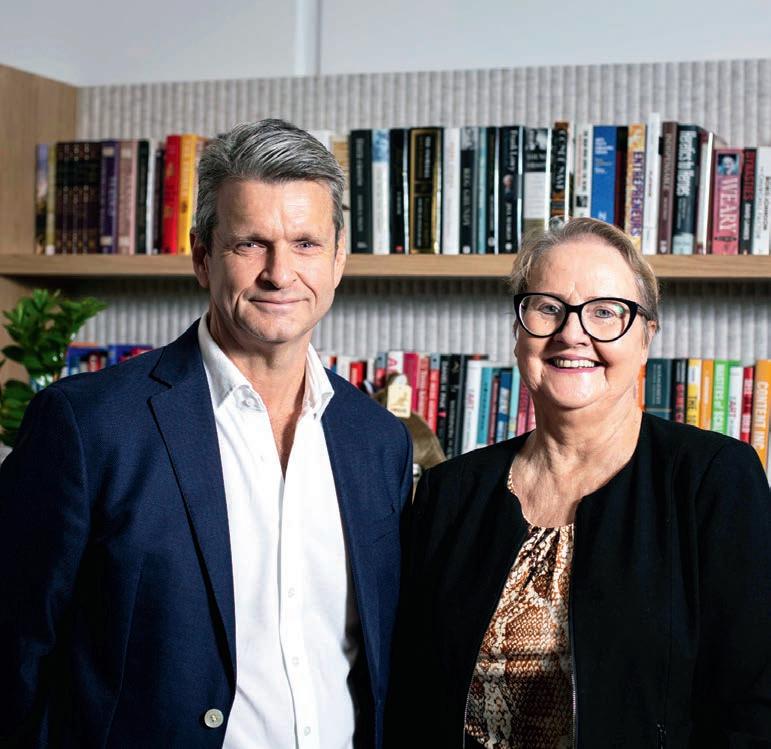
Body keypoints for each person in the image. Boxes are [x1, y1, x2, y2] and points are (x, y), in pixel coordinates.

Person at [0, 119, 413, 748]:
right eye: (250, 244)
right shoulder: (89, 426)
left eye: (305, 243)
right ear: (202, 256)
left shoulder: (379, 441)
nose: (280, 273)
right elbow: (13, 658)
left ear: (338, 261)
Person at [387, 217, 771, 748]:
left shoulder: (713, 480)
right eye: (548, 308)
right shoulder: (448, 494)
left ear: (646, 336)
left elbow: (751, 710)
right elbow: (409, 699)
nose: (572, 333)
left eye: (605, 312)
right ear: (519, 331)